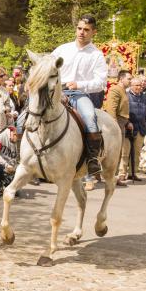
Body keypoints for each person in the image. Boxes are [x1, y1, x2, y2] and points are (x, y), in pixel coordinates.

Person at [51, 15, 108, 176]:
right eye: (79, 28)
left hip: (79, 94)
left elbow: (101, 82)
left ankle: (92, 159)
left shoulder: (96, 55)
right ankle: (24, 155)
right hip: (57, 91)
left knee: (90, 117)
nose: (82, 32)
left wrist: (80, 84)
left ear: (93, 32)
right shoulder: (62, 49)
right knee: (29, 112)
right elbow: (47, 65)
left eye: (86, 30)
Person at [104, 70, 132, 186]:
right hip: (116, 123)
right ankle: (109, 177)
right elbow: (111, 109)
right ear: (121, 79)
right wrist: (114, 126)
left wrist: (127, 122)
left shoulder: (123, 91)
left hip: (122, 123)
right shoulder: (115, 89)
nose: (130, 81)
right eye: (129, 79)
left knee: (118, 152)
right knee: (113, 152)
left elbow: (123, 109)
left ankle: (113, 177)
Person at [122, 76, 146, 182]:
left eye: (140, 85)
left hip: (140, 128)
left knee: (137, 153)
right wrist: (127, 122)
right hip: (128, 128)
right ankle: (122, 173)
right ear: (131, 86)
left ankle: (132, 173)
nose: (140, 87)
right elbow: (123, 112)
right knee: (125, 152)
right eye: (137, 85)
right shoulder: (126, 96)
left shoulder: (144, 97)